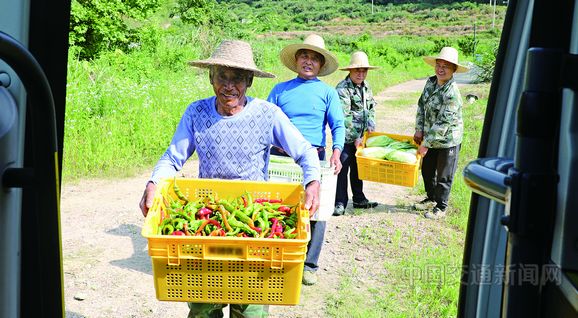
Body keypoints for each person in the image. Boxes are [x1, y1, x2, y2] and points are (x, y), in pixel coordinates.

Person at [138, 39, 322, 318]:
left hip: (252, 224)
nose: (228, 85)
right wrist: (153, 182)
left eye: (236, 78)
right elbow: (173, 157)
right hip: (208, 220)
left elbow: (305, 151)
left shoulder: (267, 114)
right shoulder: (196, 112)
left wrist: (313, 182)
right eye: (221, 76)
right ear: (211, 78)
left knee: (250, 308)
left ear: (249, 81)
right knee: (202, 304)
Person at [267, 33, 345, 286]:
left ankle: (309, 264)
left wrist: (336, 150)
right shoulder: (280, 90)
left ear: (321, 65)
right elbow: (264, 124)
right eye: (304, 56)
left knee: (316, 210)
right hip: (279, 157)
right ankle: (278, 258)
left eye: (314, 58)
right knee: (277, 208)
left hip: (314, 156)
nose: (308, 61)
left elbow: (338, 125)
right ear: (296, 60)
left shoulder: (327, 93)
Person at [413, 46, 469, 220]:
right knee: (427, 170)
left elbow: (443, 123)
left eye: (446, 66)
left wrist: (425, 144)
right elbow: (422, 104)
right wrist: (419, 128)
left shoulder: (452, 93)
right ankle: (431, 198)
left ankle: (441, 206)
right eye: (439, 64)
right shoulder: (430, 82)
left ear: (453, 70)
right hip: (430, 135)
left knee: (444, 174)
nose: (441, 69)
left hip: (447, 139)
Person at [333, 51, 380, 216]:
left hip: (361, 138)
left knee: (359, 168)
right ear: (350, 71)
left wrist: (371, 127)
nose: (361, 74)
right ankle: (340, 202)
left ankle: (359, 199)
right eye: (357, 70)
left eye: (364, 71)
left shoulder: (366, 87)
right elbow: (344, 118)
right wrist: (355, 138)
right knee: (342, 168)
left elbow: (371, 109)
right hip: (346, 138)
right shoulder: (342, 89)